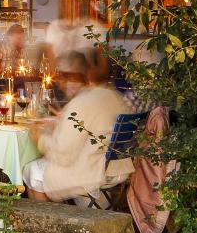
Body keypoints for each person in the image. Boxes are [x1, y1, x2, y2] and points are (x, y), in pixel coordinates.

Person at [25, 62, 132, 206]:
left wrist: (39, 137)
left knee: (32, 171)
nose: (62, 84)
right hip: (118, 170)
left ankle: (50, 224)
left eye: (65, 78)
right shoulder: (114, 96)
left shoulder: (82, 102)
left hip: (93, 173)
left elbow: (62, 154)